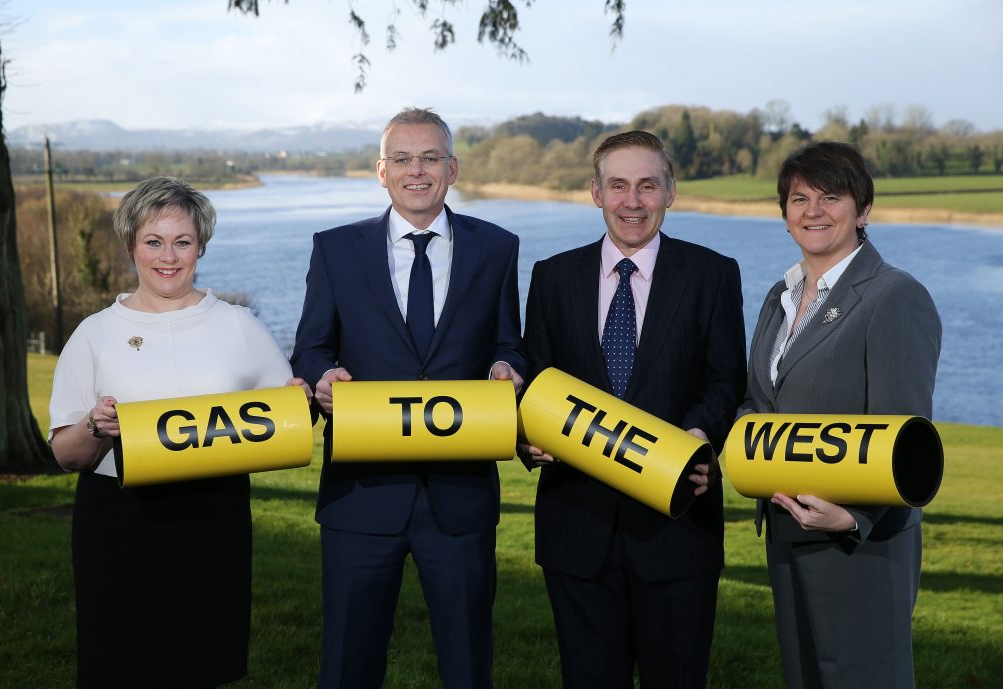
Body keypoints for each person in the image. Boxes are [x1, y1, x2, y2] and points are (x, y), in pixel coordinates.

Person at [291, 107, 525, 689]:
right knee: (347, 666)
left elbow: (510, 342)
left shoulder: (497, 248)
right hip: (361, 498)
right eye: (402, 159)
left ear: (452, 168)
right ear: (381, 171)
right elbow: (310, 348)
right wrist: (322, 378)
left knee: (469, 668)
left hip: (461, 500)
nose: (415, 171)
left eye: (429, 158)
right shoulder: (335, 250)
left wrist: (507, 367)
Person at [48, 177, 310, 689]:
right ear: (131, 245)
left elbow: (287, 418)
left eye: (182, 242)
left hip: (212, 517)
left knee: (202, 665)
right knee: (118, 668)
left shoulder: (240, 325)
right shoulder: (94, 332)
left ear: (200, 247)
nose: (168, 256)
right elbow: (65, 454)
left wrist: (299, 400)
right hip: (118, 521)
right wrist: (95, 426)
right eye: (154, 241)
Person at [520, 130, 746, 689]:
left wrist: (697, 435)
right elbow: (533, 384)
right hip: (577, 528)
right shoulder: (553, 276)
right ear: (595, 193)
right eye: (618, 186)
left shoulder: (713, 274)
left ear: (671, 191)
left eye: (648, 185)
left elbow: (726, 380)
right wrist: (526, 439)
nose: (633, 201)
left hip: (676, 529)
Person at [741, 141, 942, 689]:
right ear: (783, 213)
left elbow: (906, 437)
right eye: (799, 198)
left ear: (863, 210)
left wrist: (855, 517)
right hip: (787, 532)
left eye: (831, 196)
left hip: (861, 544)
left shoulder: (895, 297)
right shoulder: (778, 297)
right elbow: (758, 403)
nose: (813, 211)